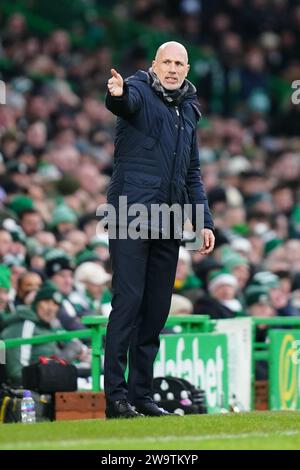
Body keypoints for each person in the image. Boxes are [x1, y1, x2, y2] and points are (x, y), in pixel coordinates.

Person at [104, 41, 215, 419]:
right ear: (154, 65)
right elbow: (124, 102)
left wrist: (203, 222)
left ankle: (141, 396)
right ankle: (116, 398)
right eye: (165, 61)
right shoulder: (135, 87)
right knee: (128, 305)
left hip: (168, 220)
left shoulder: (189, 110)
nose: (172, 68)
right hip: (129, 214)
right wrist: (116, 95)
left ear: (187, 68)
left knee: (155, 312)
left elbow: (192, 173)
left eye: (179, 63)